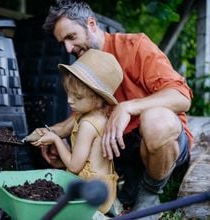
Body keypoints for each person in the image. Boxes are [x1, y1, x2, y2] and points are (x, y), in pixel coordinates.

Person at [33, 0, 194, 218]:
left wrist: (128, 107)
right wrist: (53, 133)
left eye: (71, 37)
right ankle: (118, 191)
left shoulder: (135, 46)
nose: (68, 49)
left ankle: (150, 192)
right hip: (122, 148)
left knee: (156, 120)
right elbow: (82, 113)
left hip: (164, 142)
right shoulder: (85, 63)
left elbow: (181, 96)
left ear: (91, 24)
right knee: (87, 130)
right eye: (63, 43)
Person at [31, 49, 122, 217]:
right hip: (102, 187)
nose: (69, 100)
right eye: (68, 93)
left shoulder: (88, 124)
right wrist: (52, 133)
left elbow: (74, 167)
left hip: (91, 192)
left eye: (78, 97)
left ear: (98, 99)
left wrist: (57, 140)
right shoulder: (96, 115)